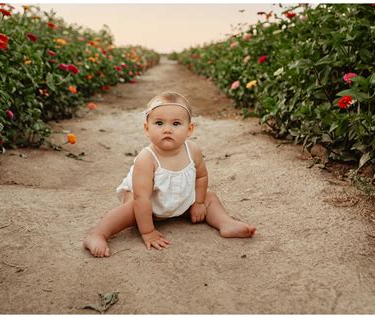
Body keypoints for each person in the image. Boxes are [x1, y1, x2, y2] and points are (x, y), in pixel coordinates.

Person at [83, 92, 256, 257]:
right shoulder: (147, 159)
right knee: (129, 210)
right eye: (159, 123)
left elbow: (201, 177)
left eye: (175, 124)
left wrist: (199, 202)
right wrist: (148, 232)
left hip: (178, 198)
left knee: (210, 197)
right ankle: (98, 234)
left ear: (189, 130)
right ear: (147, 129)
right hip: (146, 204)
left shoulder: (193, 151)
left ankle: (225, 222)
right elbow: (141, 198)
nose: (167, 130)